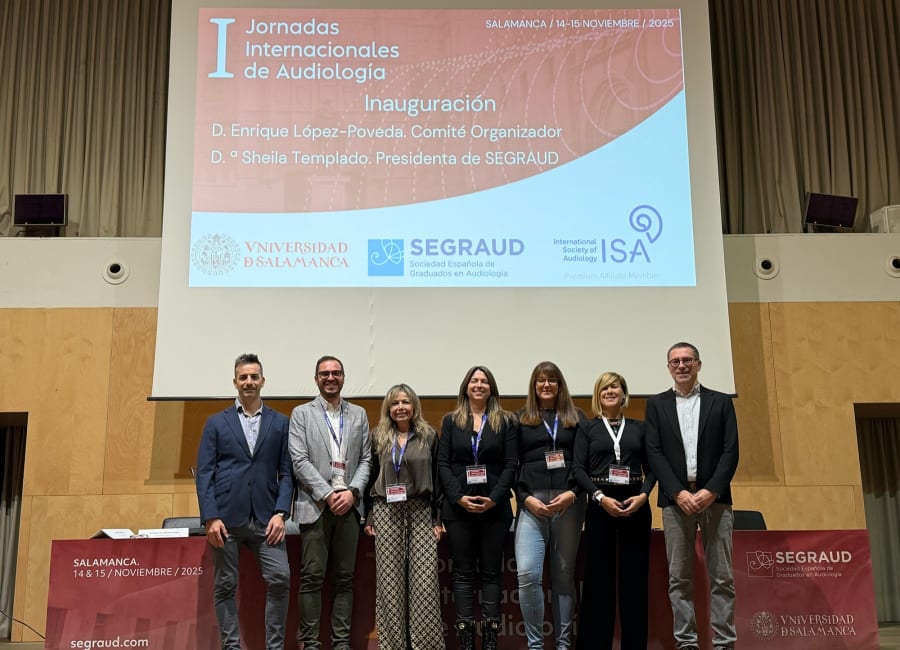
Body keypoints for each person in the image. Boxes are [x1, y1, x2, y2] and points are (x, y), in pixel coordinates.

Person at [645, 342, 740, 650]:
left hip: (716, 499)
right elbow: (654, 453)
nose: (682, 365)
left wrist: (710, 490)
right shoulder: (656, 405)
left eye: (687, 360)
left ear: (699, 364)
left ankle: (724, 642)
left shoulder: (722, 401)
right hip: (675, 502)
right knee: (679, 579)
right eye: (675, 361)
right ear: (669, 367)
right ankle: (686, 643)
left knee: (722, 577)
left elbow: (730, 451)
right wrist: (678, 492)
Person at [195, 353, 293, 650]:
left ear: (263, 381)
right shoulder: (215, 423)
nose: (248, 382)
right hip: (226, 520)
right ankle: (231, 647)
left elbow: (287, 473)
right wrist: (210, 517)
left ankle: (274, 647)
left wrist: (281, 512)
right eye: (243, 377)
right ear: (235, 382)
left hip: (267, 520)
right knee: (225, 586)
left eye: (254, 377)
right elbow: (204, 473)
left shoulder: (280, 422)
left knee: (280, 578)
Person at [289, 355, 372, 650]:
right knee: (312, 577)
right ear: (316, 379)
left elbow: (366, 459)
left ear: (343, 377)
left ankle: (340, 644)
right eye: (324, 373)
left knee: (345, 579)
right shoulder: (301, 414)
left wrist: (352, 492)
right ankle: (311, 644)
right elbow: (299, 461)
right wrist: (328, 493)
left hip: (349, 507)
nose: (330, 377)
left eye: (336, 373)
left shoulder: (359, 414)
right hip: (316, 506)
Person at [572, 372, 655, 650]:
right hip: (600, 504)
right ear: (598, 394)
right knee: (598, 581)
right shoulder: (587, 428)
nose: (610, 391)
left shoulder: (640, 427)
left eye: (615, 386)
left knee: (634, 581)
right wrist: (599, 497)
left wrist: (643, 495)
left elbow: (653, 469)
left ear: (623, 393)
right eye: (604, 387)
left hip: (635, 504)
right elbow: (578, 469)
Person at [437, 366, 517, 650]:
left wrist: (495, 497)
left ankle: (491, 641)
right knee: (462, 573)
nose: (479, 385)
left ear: (491, 388)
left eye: (484, 381)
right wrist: (459, 497)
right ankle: (467, 641)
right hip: (458, 510)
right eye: (474, 381)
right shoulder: (450, 421)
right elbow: (443, 464)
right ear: (466, 387)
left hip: (495, 509)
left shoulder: (506, 421)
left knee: (492, 573)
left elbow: (511, 464)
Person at [363, 383, 446, 650]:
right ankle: (393, 645)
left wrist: (437, 518)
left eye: (406, 402)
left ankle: (426, 645)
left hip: (421, 510)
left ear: (414, 407)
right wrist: (370, 516)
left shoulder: (428, 436)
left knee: (425, 584)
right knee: (389, 584)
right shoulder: (378, 436)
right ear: (389, 407)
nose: (400, 407)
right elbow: (370, 477)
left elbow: (439, 478)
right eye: (395, 403)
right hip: (387, 512)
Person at [514, 361, 586, 650]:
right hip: (532, 504)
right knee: (528, 573)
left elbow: (584, 463)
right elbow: (511, 465)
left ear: (560, 385)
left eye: (552, 380)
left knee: (563, 577)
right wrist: (525, 498)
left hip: (568, 503)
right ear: (534, 385)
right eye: (540, 380)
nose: (546, 385)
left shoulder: (576, 417)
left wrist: (573, 493)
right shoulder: (519, 419)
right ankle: (535, 645)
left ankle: (563, 644)